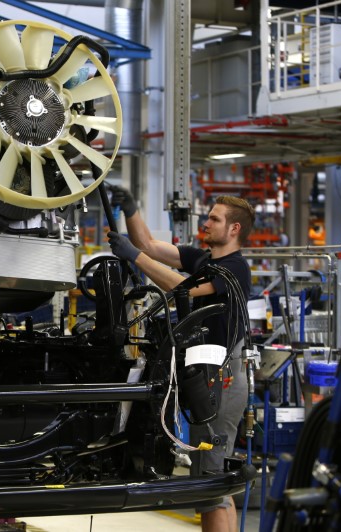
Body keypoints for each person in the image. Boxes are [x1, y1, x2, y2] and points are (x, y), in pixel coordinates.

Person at [107, 189, 254, 532]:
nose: (207, 223)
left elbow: (181, 288)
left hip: (222, 378)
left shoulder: (233, 269)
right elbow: (149, 245)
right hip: (207, 376)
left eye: (215, 219)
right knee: (216, 481)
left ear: (234, 229)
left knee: (208, 486)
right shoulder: (206, 261)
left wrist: (135, 259)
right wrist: (131, 208)